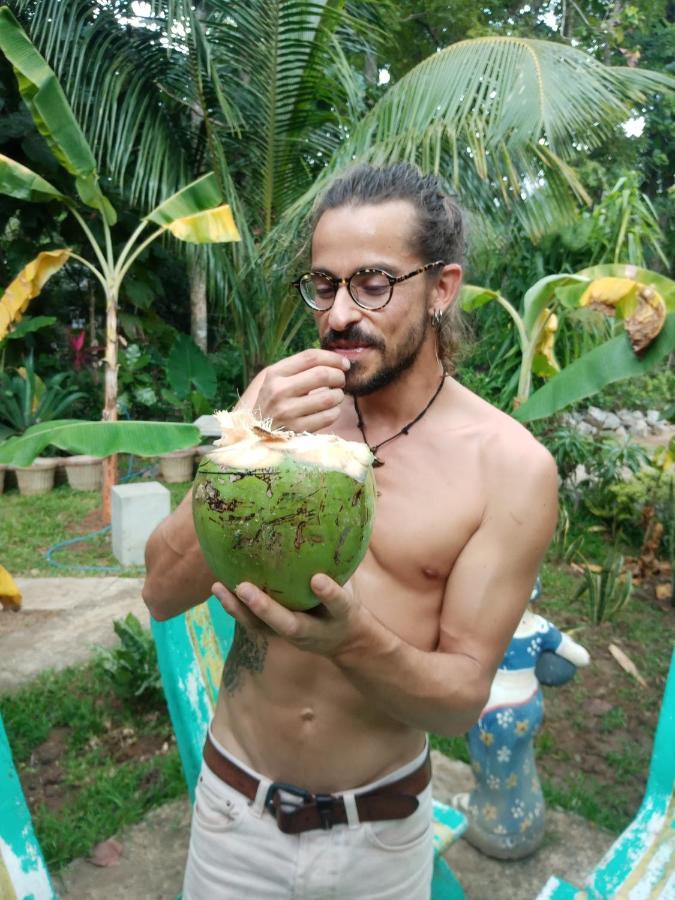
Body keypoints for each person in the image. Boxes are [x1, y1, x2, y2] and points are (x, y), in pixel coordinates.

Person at [142, 162, 558, 899]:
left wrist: (351, 641)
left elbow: (462, 700)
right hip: (235, 815)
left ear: (441, 287)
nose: (338, 314)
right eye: (324, 284)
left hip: (382, 836)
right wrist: (242, 435)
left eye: (372, 283)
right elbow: (161, 590)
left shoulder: (508, 469)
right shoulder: (278, 411)